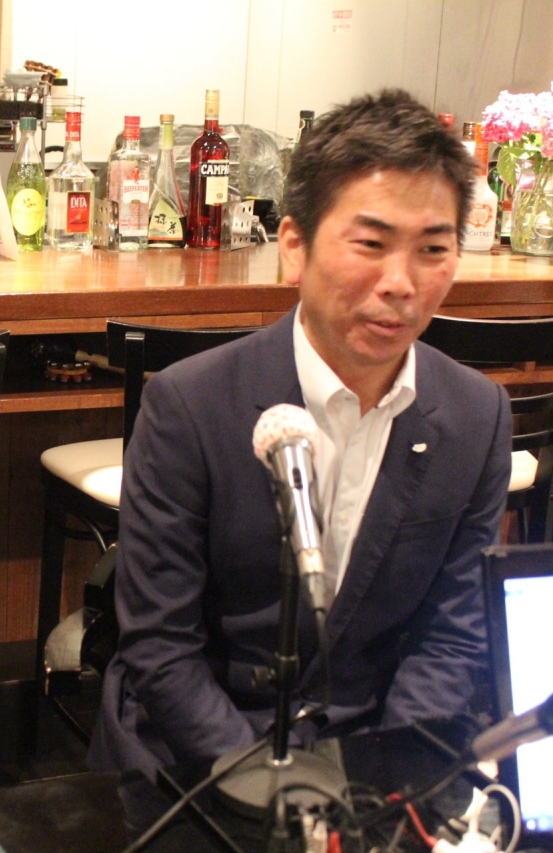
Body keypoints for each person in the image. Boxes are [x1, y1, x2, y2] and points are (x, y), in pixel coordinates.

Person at [89, 90, 512, 779]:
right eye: (370, 244)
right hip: (202, 749)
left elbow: (453, 636)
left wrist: (380, 777)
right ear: (294, 247)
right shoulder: (189, 405)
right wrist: (271, 786)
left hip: (374, 745)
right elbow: (162, 647)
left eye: (433, 249)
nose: (401, 283)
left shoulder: (476, 415)